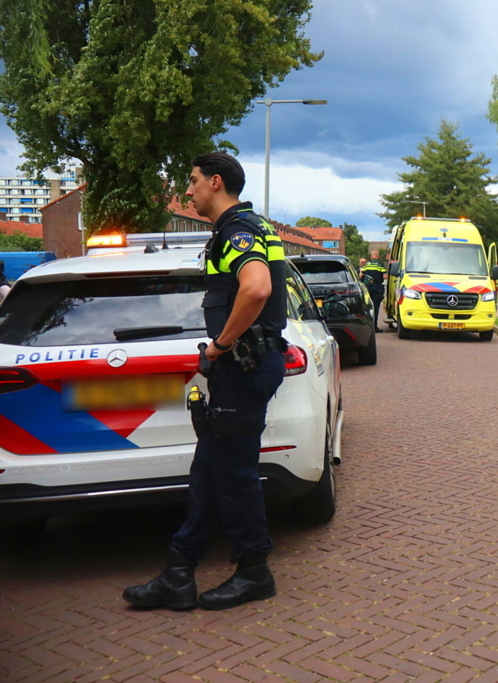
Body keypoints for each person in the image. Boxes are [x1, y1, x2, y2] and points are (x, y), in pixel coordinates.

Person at [123, 152, 288, 611]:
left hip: (244, 365)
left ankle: (255, 571)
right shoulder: (251, 226)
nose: (188, 190)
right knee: (211, 469)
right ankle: (179, 570)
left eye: (193, 182)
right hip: (249, 365)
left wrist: (218, 347)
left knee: (232, 473)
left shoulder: (237, 231)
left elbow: (256, 288)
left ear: (216, 183)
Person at [361, 250, 387, 332]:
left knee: (368, 307)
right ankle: (375, 327)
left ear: (371, 256)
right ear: (378, 256)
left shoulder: (367, 264)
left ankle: (368, 327)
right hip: (377, 287)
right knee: (375, 307)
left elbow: (361, 275)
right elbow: (385, 276)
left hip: (368, 287)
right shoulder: (380, 265)